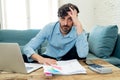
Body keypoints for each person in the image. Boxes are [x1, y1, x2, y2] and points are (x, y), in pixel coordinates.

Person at [23, 3, 89, 65]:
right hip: (50, 57)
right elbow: (27, 47)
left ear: (75, 19)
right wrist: (41, 59)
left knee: (80, 57)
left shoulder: (79, 30)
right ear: (58, 18)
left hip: (68, 59)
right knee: (25, 57)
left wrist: (79, 25)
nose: (65, 23)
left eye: (70, 19)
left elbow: (82, 55)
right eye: (63, 18)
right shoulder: (49, 28)